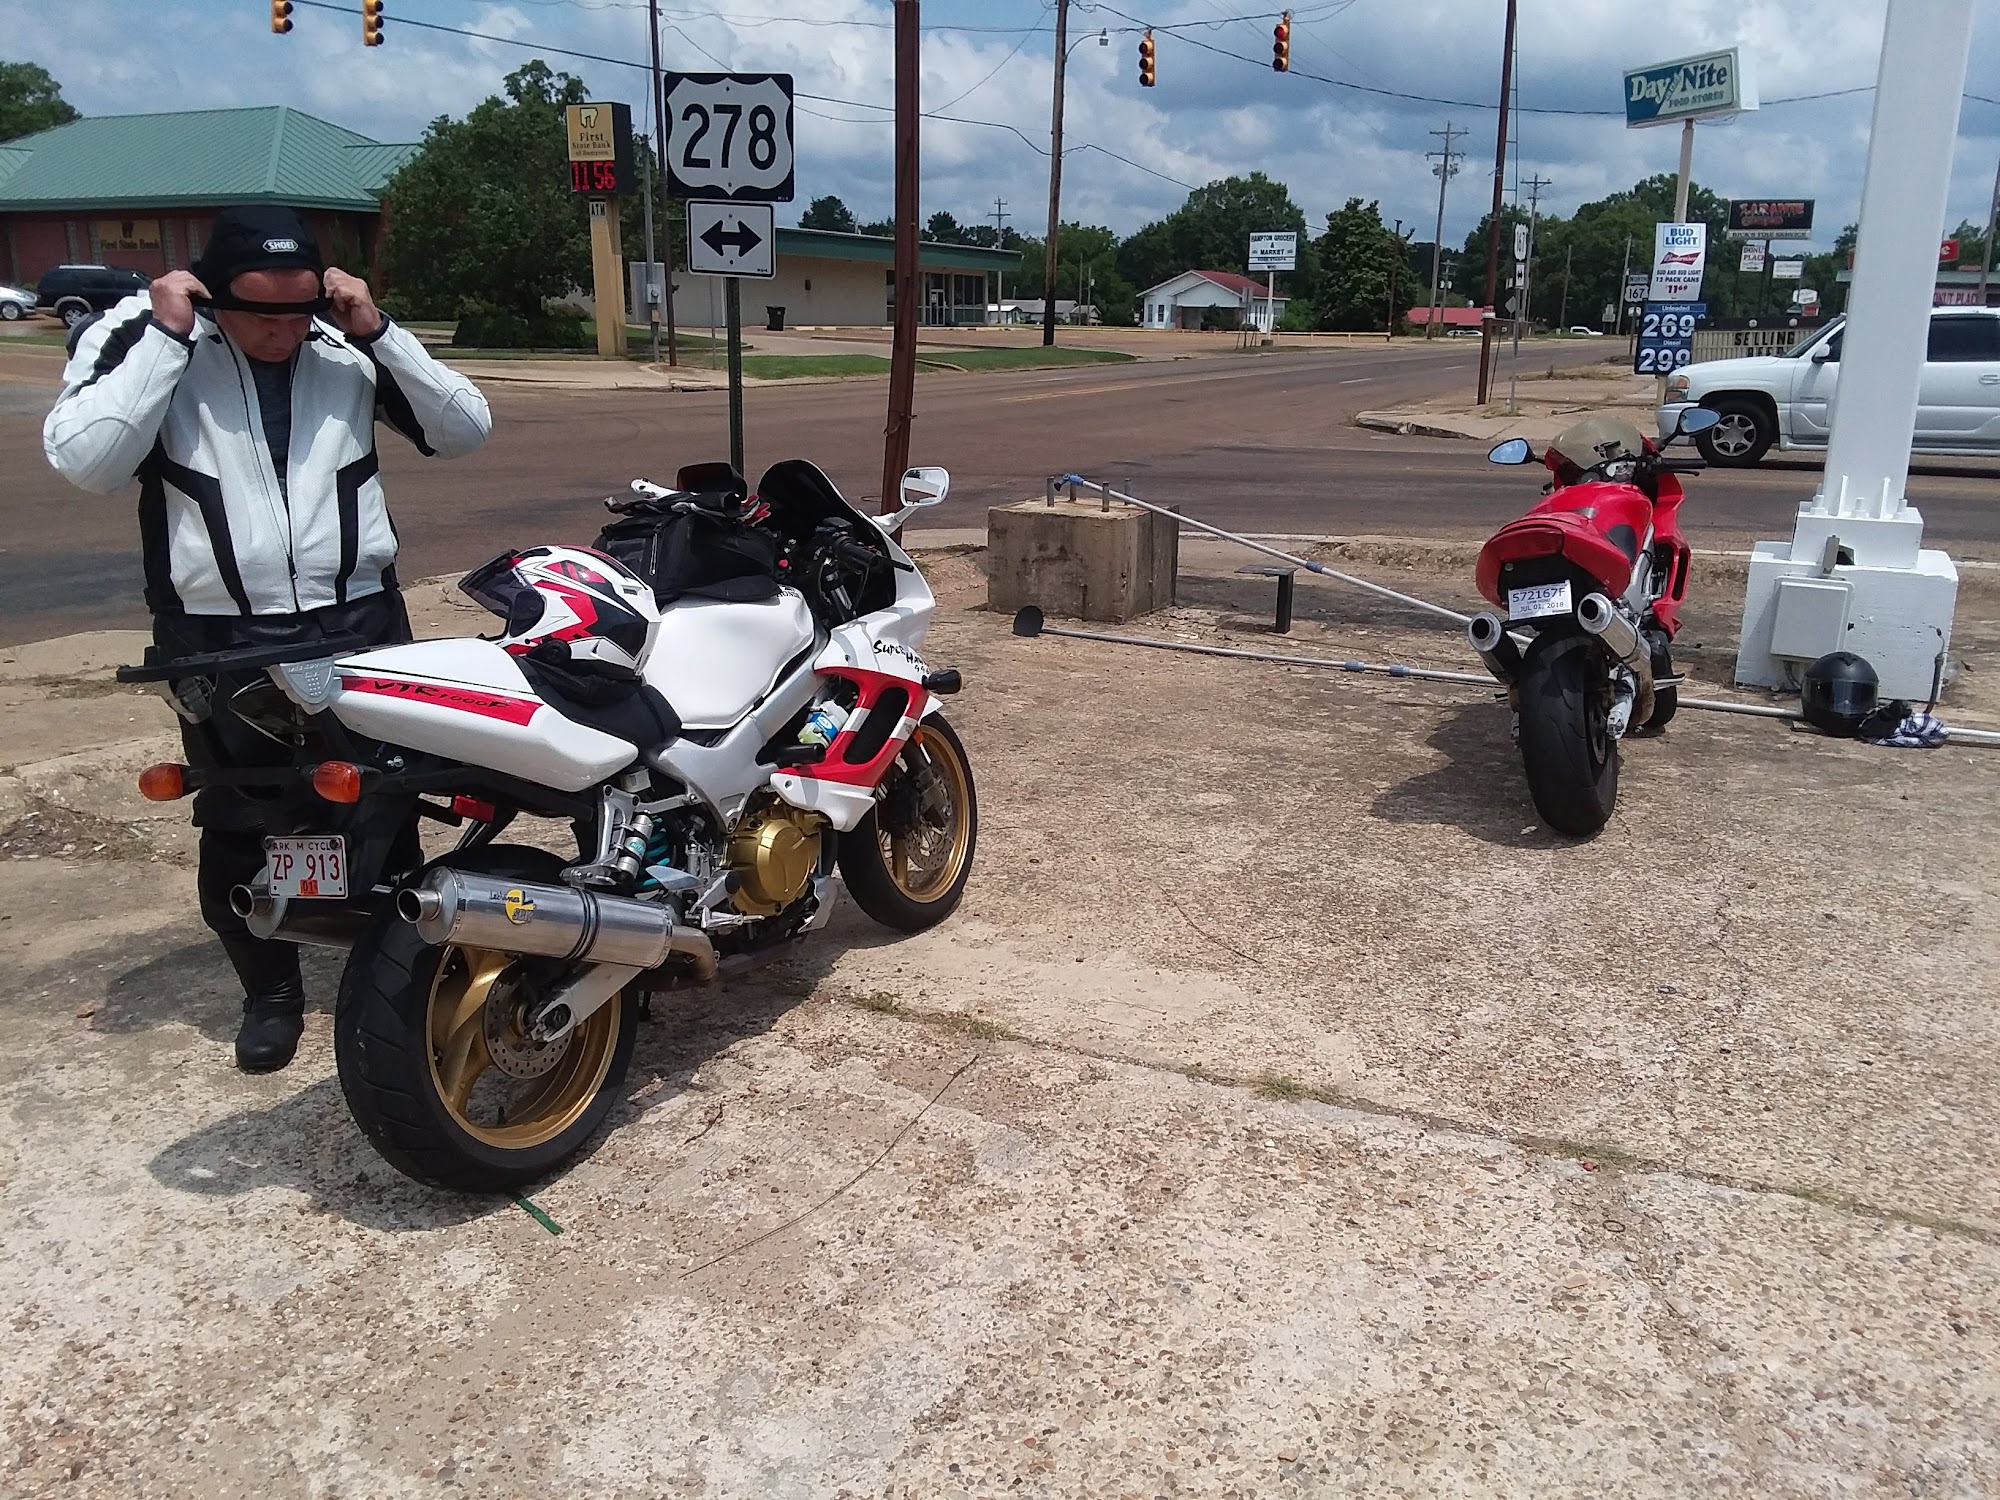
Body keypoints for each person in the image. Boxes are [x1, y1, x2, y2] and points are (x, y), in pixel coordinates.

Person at [43, 205, 492, 1073]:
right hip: (219, 630)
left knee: (380, 802)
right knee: (244, 813)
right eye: (259, 315)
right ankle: (273, 992)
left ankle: (394, 978)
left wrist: (377, 332)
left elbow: (463, 428)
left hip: (355, 618)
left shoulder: (341, 340)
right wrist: (168, 338)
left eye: (298, 312)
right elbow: (87, 461)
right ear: (213, 294)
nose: (282, 333)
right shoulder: (145, 333)